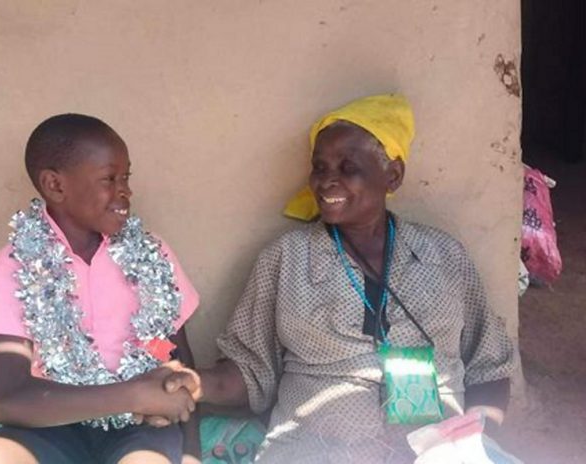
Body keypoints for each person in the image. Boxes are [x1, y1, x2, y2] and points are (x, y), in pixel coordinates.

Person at [156, 94, 515, 463]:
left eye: (348, 168)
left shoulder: (443, 256)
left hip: (436, 452)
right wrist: (196, 384)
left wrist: (477, 432)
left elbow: (491, 363)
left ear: (393, 175)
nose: (328, 182)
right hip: (314, 451)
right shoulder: (287, 259)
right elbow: (250, 372)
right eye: (320, 167)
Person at [0, 114, 201, 464]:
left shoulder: (152, 255)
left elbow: (180, 371)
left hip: (142, 427)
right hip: (49, 423)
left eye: (126, 177)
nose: (124, 191)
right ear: (55, 185)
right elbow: (12, 399)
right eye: (108, 179)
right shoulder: (18, 265)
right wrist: (132, 394)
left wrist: (191, 453)